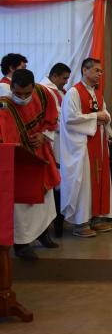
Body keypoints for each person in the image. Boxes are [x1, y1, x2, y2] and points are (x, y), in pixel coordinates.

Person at [0, 69, 60, 260]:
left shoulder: (43, 94)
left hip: (40, 154)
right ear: (11, 87)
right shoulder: (4, 106)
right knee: (23, 203)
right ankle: (22, 242)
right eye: (18, 93)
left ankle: (42, 232)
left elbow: (53, 122)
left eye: (27, 93)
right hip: (20, 160)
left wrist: (44, 136)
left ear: (34, 87)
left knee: (45, 198)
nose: (23, 97)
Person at [59, 58, 112, 238]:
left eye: (101, 71)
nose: (100, 74)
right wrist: (95, 117)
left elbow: (105, 114)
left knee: (99, 180)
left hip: (98, 142)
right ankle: (80, 222)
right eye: (97, 70)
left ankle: (95, 218)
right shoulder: (74, 92)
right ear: (85, 70)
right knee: (84, 182)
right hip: (82, 145)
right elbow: (70, 119)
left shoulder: (97, 93)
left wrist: (103, 118)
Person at [40, 62, 71, 164]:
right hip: (50, 136)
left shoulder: (60, 91)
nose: (66, 82)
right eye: (64, 78)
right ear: (54, 76)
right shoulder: (44, 90)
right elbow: (56, 115)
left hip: (61, 135)